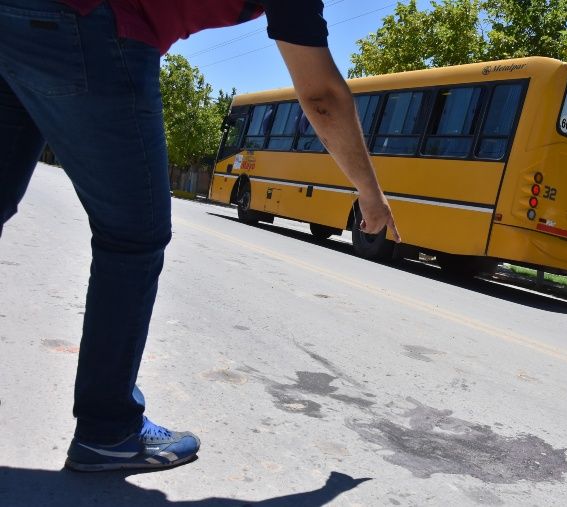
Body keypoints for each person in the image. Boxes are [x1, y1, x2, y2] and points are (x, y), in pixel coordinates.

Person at [0, 0, 399, 472]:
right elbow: (321, 97)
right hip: (87, 24)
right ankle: (107, 431)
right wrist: (369, 194)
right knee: (132, 236)